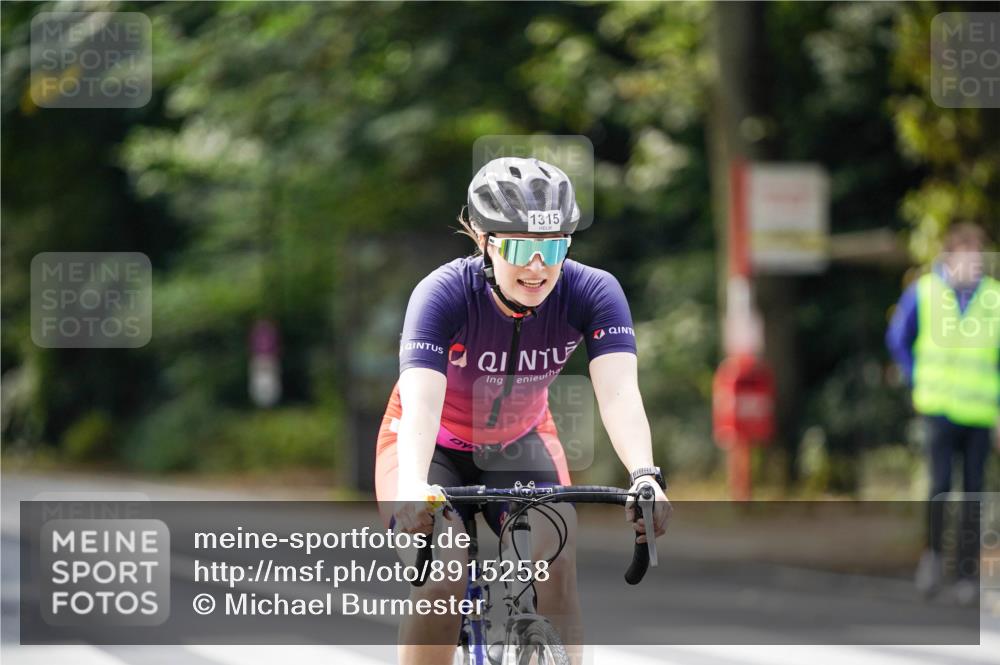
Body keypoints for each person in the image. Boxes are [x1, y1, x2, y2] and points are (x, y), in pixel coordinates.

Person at [374, 156, 670, 665]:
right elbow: (421, 402)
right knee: (445, 567)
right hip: (429, 445)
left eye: (552, 248)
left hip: (520, 440)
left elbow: (619, 393)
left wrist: (644, 473)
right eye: (519, 248)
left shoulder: (593, 291)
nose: (538, 267)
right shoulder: (442, 294)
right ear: (485, 242)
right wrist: (412, 488)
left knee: (557, 554)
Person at [886, 222, 999, 605]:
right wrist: (916, 375)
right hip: (937, 408)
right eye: (968, 256)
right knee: (939, 487)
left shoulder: (993, 298)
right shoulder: (926, 291)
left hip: (979, 413)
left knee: (973, 492)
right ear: (950, 257)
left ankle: (966, 573)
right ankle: (932, 557)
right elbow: (898, 338)